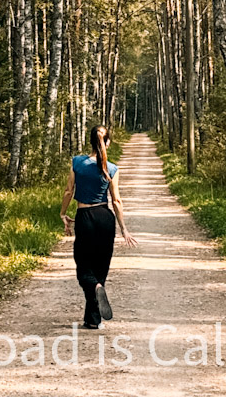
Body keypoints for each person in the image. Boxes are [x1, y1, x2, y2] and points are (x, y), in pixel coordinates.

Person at [59, 124, 137, 329]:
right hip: (106, 218)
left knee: (84, 267)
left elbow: (69, 191)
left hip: (85, 216)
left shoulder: (77, 163)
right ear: (108, 142)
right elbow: (117, 201)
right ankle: (93, 319)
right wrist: (124, 229)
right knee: (100, 268)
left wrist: (63, 213)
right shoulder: (111, 168)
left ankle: (95, 288)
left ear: (90, 142)